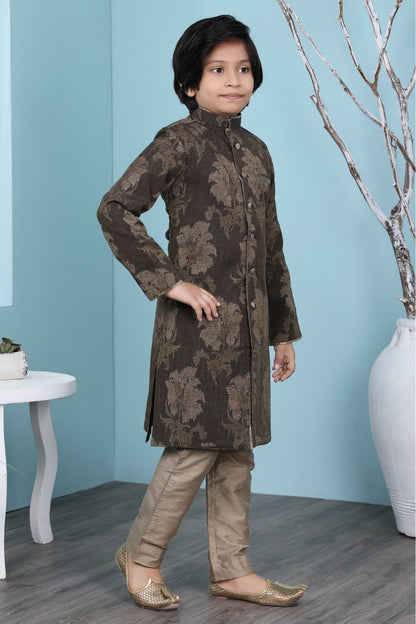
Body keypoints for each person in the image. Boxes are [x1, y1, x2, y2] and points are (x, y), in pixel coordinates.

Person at [97, 14, 307, 611]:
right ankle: (140, 557)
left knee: (236, 451)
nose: (233, 80)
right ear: (190, 82)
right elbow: (115, 209)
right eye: (217, 69)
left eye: (243, 69)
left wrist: (282, 332)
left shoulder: (258, 152)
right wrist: (171, 282)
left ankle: (232, 570)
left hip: (249, 330)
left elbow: (271, 246)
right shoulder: (176, 142)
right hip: (196, 330)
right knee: (192, 450)